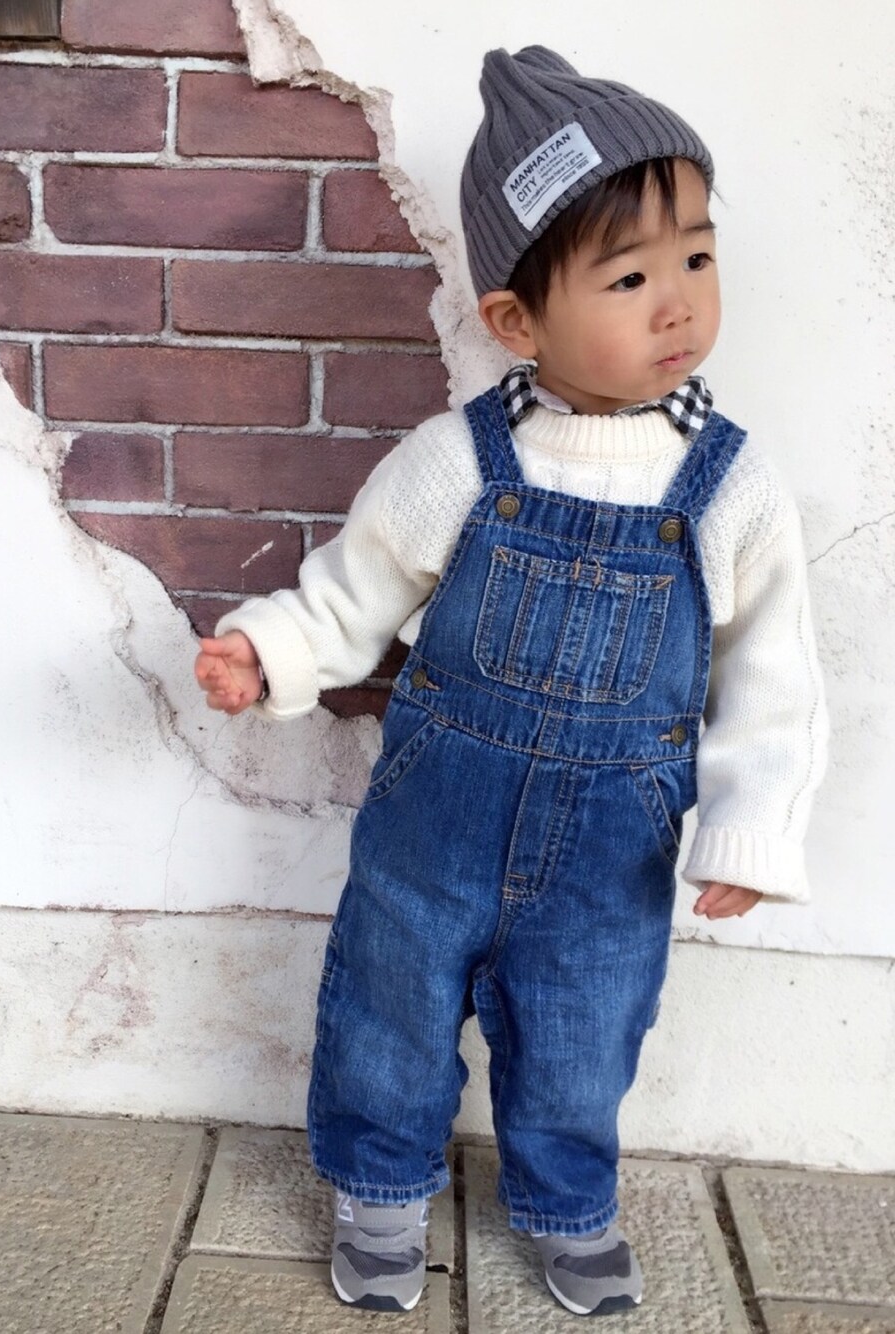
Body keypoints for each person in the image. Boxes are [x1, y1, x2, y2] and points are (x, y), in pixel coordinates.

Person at [194, 46, 827, 1317]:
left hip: (611, 852)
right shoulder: (457, 462)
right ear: (516, 322)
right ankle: (381, 1190)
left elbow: (772, 671)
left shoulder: (729, 486)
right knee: (388, 1004)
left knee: (585, 1028)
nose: (677, 305)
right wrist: (272, 650)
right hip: (435, 824)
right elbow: (355, 591)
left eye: (698, 258)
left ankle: (567, 1201)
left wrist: (751, 825)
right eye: (630, 277)